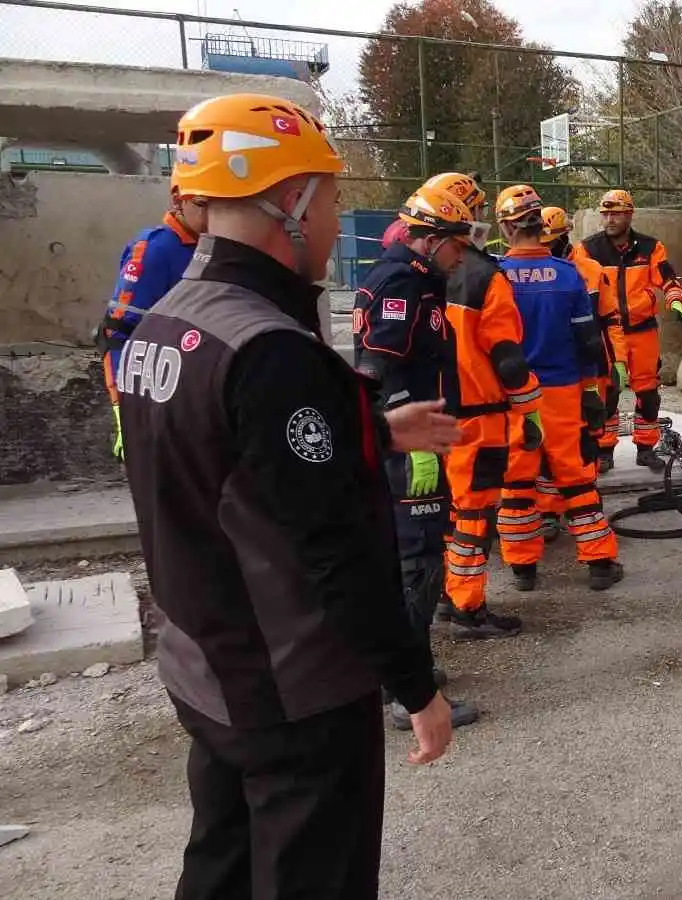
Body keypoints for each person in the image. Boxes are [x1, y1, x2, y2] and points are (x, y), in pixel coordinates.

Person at [118, 92, 459, 899]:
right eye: (333, 197)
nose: (338, 219)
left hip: (206, 669)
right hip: (294, 691)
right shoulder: (273, 351)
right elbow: (337, 551)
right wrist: (416, 685)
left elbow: (233, 465)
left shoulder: (164, 324)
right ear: (290, 201)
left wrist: (370, 431)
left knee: (222, 869)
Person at [351, 183, 485, 731]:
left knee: (416, 559)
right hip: (411, 448)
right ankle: (410, 689)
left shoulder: (417, 279)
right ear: (431, 239)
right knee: (419, 564)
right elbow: (375, 372)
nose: (463, 253)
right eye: (458, 242)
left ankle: (408, 668)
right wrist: (393, 440)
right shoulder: (403, 283)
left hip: (416, 438)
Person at [493, 185, 624, 591]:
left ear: (505, 226)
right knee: (577, 477)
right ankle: (600, 562)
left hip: (513, 396)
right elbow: (589, 343)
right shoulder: (570, 276)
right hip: (565, 391)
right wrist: (592, 392)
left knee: (517, 483)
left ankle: (523, 569)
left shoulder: (493, 277)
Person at [437, 177, 545, 640]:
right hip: (480, 418)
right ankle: (467, 607)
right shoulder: (487, 277)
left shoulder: (428, 270)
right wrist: (530, 409)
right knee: (475, 515)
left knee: (448, 512)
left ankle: (446, 593)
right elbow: (508, 358)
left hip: (436, 413)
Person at [573, 189, 682, 472]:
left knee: (648, 392)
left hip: (642, 331)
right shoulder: (588, 249)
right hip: (608, 333)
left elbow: (668, 279)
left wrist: (676, 301)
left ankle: (646, 447)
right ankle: (604, 450)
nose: (609, 220)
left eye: (616, 214)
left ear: (629, 215)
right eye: (606, 214)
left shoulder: (649, 248)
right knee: (607, 393)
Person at [96, 174, 206, 459]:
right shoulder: (155, 249)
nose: (213, 214)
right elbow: (118, 332)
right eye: (203, 203)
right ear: (178, 202)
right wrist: (125, 408)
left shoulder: (214, 246)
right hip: (160, 389)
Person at [541, 204, 626, 484]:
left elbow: (610, 319)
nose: (546, 249)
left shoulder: (591, 270)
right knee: (549, 438)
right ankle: (553, 507)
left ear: (564, 238)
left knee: (590, 432)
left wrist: (619, 361)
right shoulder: (523, 271)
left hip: (590, 366)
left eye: (550, 243)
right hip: (549, 371)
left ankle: (585, 493)